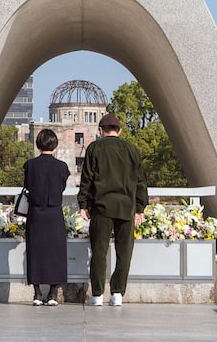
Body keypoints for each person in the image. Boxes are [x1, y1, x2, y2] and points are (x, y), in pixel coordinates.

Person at [78, 113, 148, 307]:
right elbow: (140, 182)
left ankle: (97, 294)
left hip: (101, 207)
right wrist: (140, 208)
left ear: (100, 130)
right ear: (120, 131)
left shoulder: (94, 148)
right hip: (126, 207)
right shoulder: (131, 150)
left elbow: (87, 179)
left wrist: (84, 204)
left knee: (99, 252)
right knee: (124, 252)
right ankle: (117, 293)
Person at [23, 129, 71, 306]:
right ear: (55, 144)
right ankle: (52, 293)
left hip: (35, 212)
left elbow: (27, 185)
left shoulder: (30, 165)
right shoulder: (62, 167)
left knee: (35, 251)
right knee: (55, 252)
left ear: (38, 144)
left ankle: (36, 293)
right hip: (54, 213)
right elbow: (62, 186)